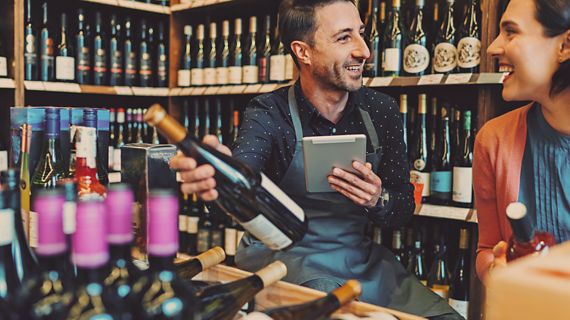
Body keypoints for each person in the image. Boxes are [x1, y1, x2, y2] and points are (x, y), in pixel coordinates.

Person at [171, 0, 460, 318]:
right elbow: (242, 177)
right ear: (303, 52)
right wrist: (219, 178)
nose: (364, 50)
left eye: (361, 34)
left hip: (358, 259)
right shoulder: (270, 113)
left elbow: (402, 208)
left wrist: (379, 198)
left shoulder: (381, 111)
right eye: (344, 37)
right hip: (283, 260)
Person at [474, 0, 570, 283]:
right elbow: (487, 249)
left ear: (565, 46)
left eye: (511, 32)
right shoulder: (493, 140)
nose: (492, 47)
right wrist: (495, 271)